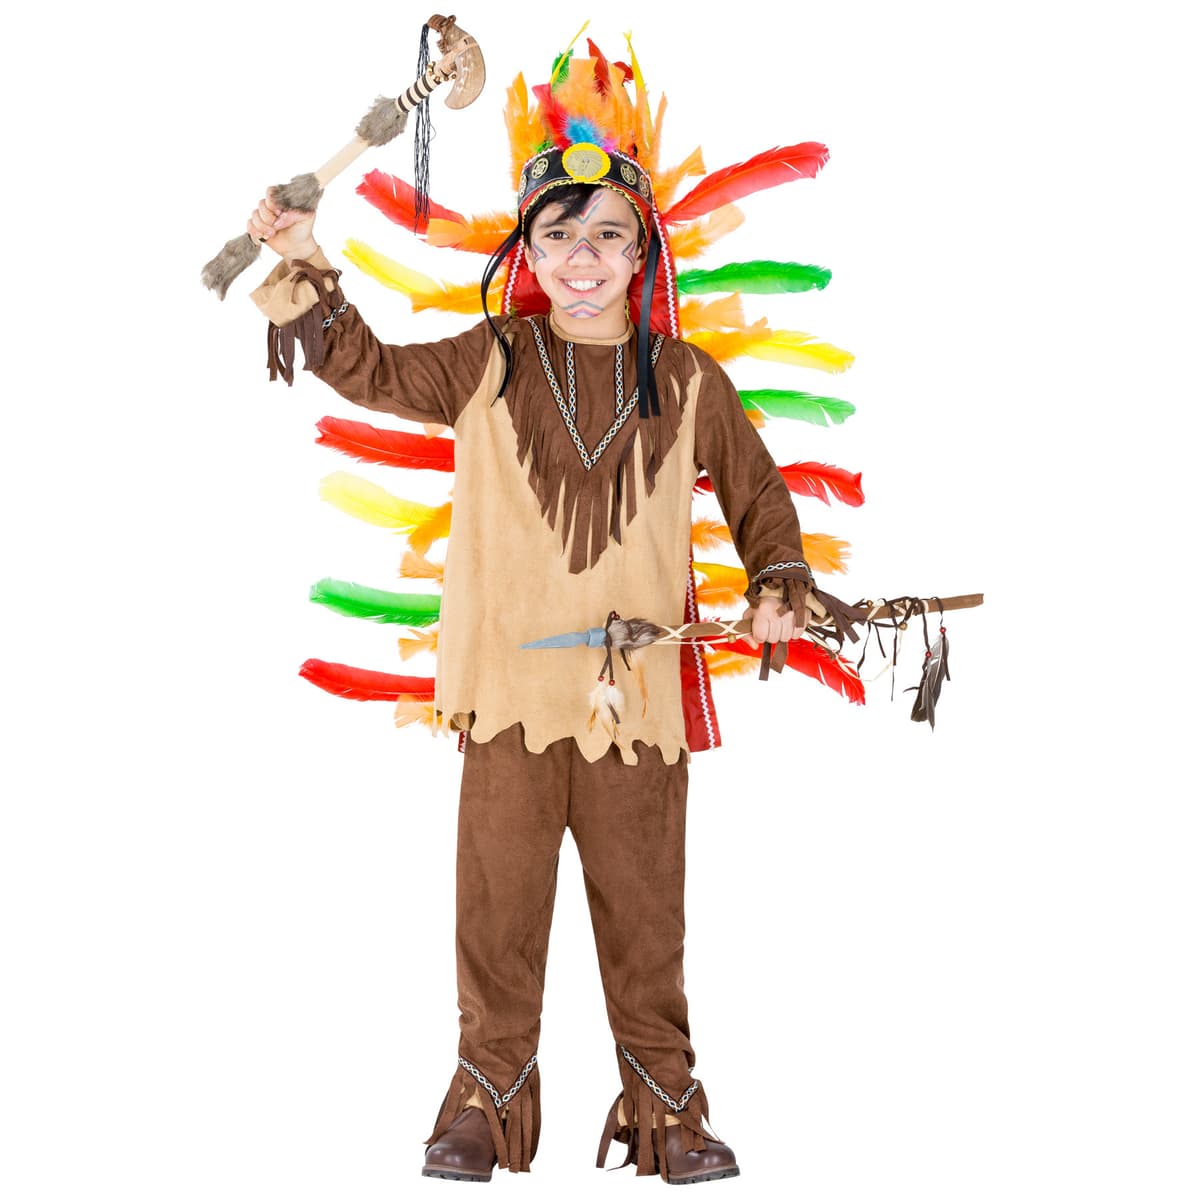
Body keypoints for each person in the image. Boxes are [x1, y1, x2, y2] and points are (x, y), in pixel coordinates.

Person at [244, 42, 816, 1185]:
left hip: (636, 712)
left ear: (643, 250)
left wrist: (776, 586)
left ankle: (666, 1107)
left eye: (607, 234)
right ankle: (487, 1100)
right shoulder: (492, 359)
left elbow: (759, 497)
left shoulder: (688, 380)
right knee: (497, 913)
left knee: (646, 922)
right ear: (528, 251)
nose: (583, 258)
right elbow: (371, 371)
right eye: (558, 235)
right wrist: (306, 259)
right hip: (508, 698)